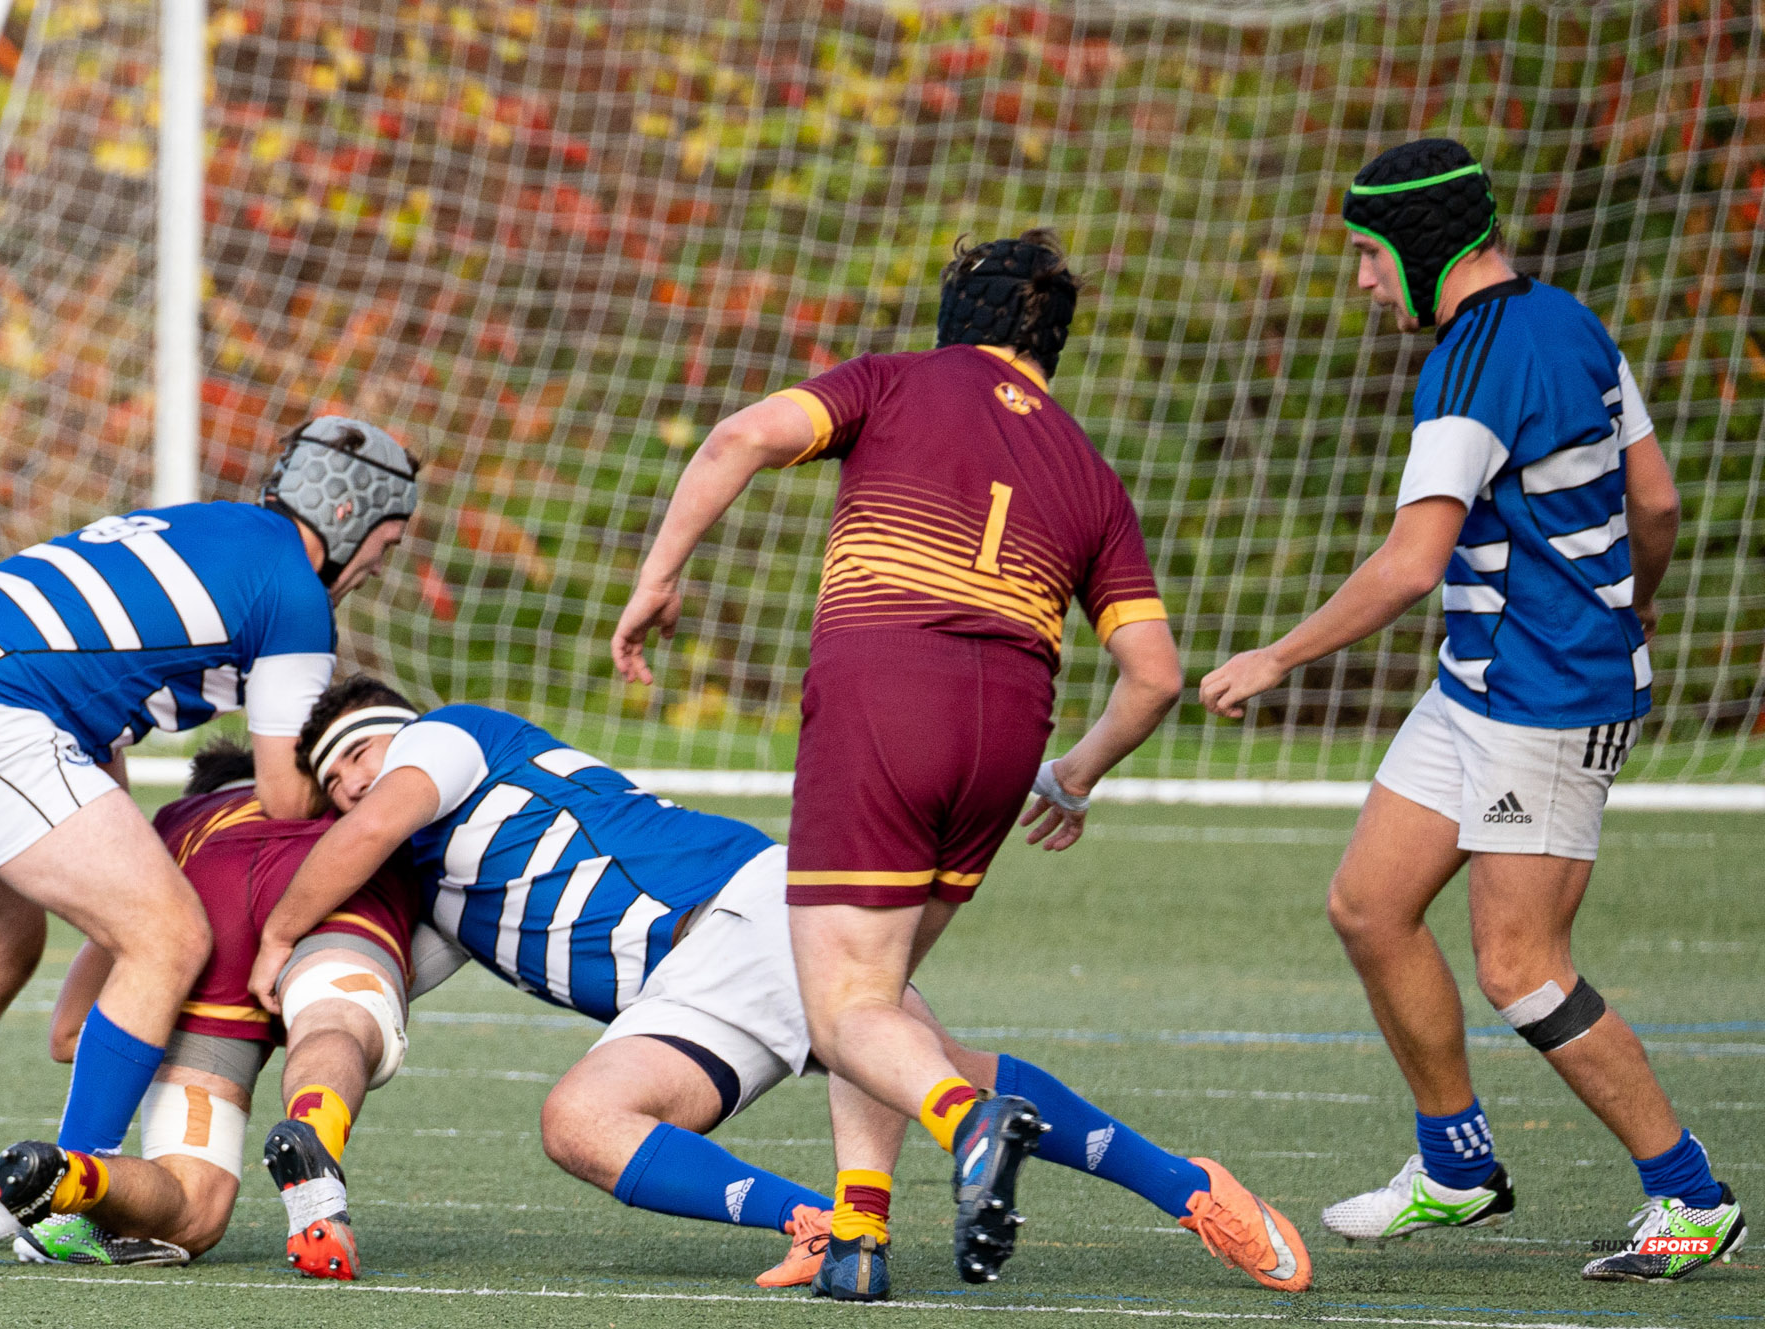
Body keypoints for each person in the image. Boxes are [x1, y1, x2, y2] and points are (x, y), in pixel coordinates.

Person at [610, 232, 1308, 1297]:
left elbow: (738, 436)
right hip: (1008, 732)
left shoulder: (892, 381)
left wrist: (658, 577)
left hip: (885, 704)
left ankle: (967, 1119)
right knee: (874, 995)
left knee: (846, 1007)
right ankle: (860, 1235)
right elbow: (1155, 675)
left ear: (954, 321)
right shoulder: (1087, 469)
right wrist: (1074, 774)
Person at [266, 674, 1310, 1300]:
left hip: (744, 906)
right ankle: (825, 1222)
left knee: (924, 1067)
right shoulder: (434, 894)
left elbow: (369, 829)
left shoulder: (445, 739)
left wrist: (272, 933)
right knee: (582, 1120)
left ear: (399, 732)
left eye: (359, 752)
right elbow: (362, 997)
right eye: (334, 779)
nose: (353, 780)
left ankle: (1189, 1191)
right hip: (690, 991)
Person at [1200, 138, 1743, 1283]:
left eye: (1366, 254)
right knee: (1367, 906)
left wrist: (1275, 657)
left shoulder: (1466, 366)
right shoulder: (1572, 323)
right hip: (1479, 684)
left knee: (1520, 968)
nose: (1361, 280)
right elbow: (1654, 503)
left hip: (1545, 700)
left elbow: (1409, 564)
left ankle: (1690, 1198)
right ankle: (1455, 1169)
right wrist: (1633, 600)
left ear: (1416, 245)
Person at [0, 416, 418, 1261]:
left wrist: (123, 842)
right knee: (166, 937)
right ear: (349, 513)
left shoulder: (214, 527)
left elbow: (95, 694)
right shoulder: (294, 592)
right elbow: (286, 796)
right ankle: (68, 1207)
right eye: (384, 544)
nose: (378, 566)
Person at [0, 740, 423, 1277]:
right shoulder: (352, 805)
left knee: (192, 1210)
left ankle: (64, 1178)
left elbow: (67, 1034)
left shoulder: (175, 825)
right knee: (334, 1024)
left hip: (208, 935)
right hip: (319, 898)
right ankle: (314, 1143)